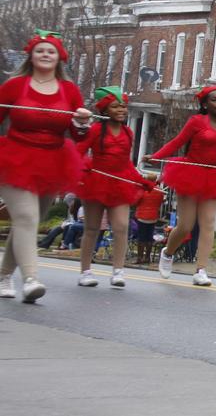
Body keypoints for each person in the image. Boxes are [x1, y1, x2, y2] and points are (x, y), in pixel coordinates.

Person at [0, 29, 92, 303]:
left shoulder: (69, 90)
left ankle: (4, 275)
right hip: (15, 158)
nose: (45, 55)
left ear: (59, 58)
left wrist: (81, 122)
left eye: (50, 51)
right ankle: (31, 279)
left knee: (27, 221)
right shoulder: (15, 85)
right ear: (31, 55)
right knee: (26, 218)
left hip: (53, 160)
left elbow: (78, 136)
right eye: (40, 50)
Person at [144, 85, 216, 287]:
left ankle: (201, 270)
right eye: (214, 99)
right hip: (190, 173)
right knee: (186, 225)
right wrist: (156, 156)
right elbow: (177, 142)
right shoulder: (196, 122)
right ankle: (168, 253)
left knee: (209, 223)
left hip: (214, 176)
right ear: (204, 103)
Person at [76, 87, 154, 288]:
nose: (121, 110)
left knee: (121, 227)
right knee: (92, 228)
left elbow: (126, 163)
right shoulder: (95, 130)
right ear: (104, 110)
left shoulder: (128, 132)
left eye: (124, 106)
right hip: (96, 182)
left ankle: (118, 270)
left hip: (119, 184)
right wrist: (84, 167)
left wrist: (141, 180)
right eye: (115, 106)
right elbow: (79, 151)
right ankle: (85, 271)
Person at [133, 180, 164, 264]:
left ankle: (139, 258)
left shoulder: (143, 190)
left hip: (142, 217)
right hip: (153, 217)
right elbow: (160, 202)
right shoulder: (159, 191)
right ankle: (147, 257)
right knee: (149, 238)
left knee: (141, 238)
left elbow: (135, 201)